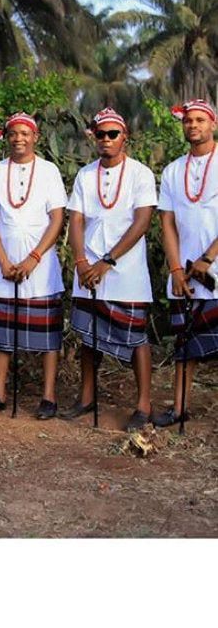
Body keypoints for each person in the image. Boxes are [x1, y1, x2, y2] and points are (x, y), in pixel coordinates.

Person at [64, 107, 157, 431]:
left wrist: (107, 262)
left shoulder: (140, 173)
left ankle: (143, 404)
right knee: (89, 336)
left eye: (111, 134)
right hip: (88, 267)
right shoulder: (85, 174)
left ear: (124, 137)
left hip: (126, 270)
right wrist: (81, 262)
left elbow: (142, 221)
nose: (105, 139)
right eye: (100, 134)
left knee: (136, 338)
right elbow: (75, 219)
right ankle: (87, 397)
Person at [0, 113, 66, 420]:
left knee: (48, 336)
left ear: (36, 136)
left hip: (40, 267)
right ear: (7, 137)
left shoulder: (49, 171)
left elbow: (57, 218)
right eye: (13, 134)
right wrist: (3, 260)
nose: (18, 138)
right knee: (3, 336)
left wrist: (34, 258)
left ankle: (48, 397)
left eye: (24, 133)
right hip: (4, 265)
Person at [154, 99, 218, 426]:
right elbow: (167, 222)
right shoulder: (172, 170)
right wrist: (176, 269)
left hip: (214, 267)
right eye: (188, 121)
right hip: (186, 274)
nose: (193, 126)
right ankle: (179, 407)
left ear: (213, 125)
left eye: (199, 120)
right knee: (184, 345)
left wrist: (209, 257)